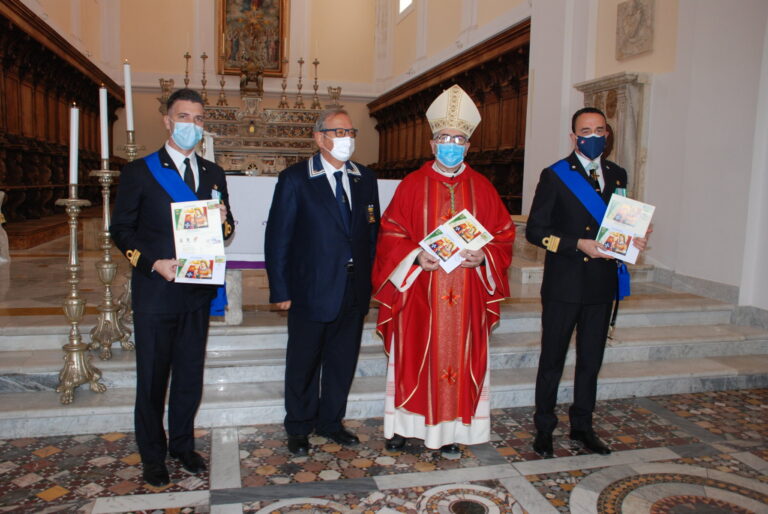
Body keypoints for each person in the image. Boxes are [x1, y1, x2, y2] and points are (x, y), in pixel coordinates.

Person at [372, 85, 515, 455]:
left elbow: (502, 235)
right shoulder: (412, 184)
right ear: (432, 144)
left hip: (466, 296)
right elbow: (391, 232)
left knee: (457, 360)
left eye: (458, 139)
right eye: (443, 138)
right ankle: (404, 427)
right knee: (412, 360)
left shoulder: (483, 188)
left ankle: (452, 432)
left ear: (468, 146)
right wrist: (415, 257)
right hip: (419, 294)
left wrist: (483, 258)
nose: (450, 144)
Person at [110, 88, 235, 487]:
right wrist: (152, 263)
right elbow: (121, 230)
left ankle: (182, 444)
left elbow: (227, 230)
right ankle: (152, 455)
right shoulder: (140, 171)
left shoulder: (214, 174)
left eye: (198, 119)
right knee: (152, 380)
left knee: (188, 376)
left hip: (196, 294)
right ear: (167, 121)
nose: (191, 126)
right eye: (183, 118)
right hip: (157, 292)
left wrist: (225, 218)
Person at [526, 107, 649, 458]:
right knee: (552, 359)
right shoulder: (555, 175)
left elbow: (620, 224)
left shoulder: (618, 174)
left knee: (590, 361)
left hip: (600, 284)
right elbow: (536, 231)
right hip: (565, 283)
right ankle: (545, 428)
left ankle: (583, 426)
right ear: (573, 136)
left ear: (607, 134)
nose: (593, 136)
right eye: (585, 130)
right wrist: (577, 243)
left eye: (599, 130)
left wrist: (633, 239)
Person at [265, 109, 380, 456]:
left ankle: (331, 422)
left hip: (353, 287)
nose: (348, 139)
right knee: (303, 361)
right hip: (310, 289)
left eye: (351, 131)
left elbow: (373, 233)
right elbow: (278, 238)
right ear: (319, 137)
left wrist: (372, 280)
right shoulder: (296, 179)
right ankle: (299, 425)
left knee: (342, 361)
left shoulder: (365, 178)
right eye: (339, 132)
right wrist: (280, 289)